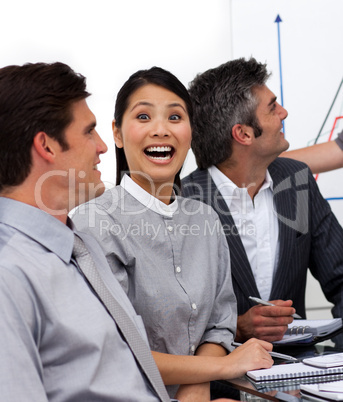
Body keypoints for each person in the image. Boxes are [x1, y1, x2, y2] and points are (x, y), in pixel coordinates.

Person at [0, 61, 204, 402]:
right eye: (88, 131)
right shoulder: (9, 275)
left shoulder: (81, 247)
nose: (103, 147)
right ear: (47, 146)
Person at [72, 66, 273, 401]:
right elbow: (120, 349)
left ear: (191, 132)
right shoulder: (94, 222)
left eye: (175, 117)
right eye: (144, 117)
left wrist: (195, 392)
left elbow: (218, 326)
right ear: (118, 134)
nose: (161, 130)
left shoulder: (206, 220)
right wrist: (222, 369)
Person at [182, 57, 343, 344]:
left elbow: (341, 279)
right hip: (219, 384)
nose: (284, 113)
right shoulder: (183, 203)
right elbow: (172, 319)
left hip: (298, 375)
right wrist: (235, 327)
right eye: (272, 107)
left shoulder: (298, 181)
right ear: (243, 134)